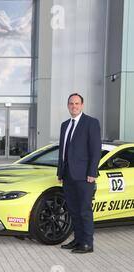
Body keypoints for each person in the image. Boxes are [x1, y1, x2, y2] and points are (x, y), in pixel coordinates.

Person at [57, 93, 101, 254]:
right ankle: (78, 240)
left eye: (76, 103)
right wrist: (60, 172)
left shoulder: (91, 123)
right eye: (71, 103)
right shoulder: (64, 125)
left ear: (82, 105)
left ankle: (88, 243)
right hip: (68, 175)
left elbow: (95, 150)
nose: (74, 106)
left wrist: (92, 172)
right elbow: (62, 151)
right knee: (73, 210)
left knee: (84, 210)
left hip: (84, 176)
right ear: (68, 105)